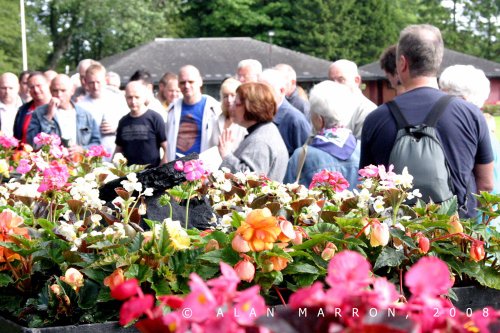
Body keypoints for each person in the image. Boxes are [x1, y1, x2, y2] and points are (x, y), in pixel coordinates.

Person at [360, 24, 493, 218]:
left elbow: (367, 185)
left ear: (402, 63)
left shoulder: (376, 119)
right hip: (455, 237)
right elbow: (487, 184)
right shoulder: (470, 114)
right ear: (438, 61)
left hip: (398, 240)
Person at [284, 81, 360, 189]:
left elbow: (288, 198)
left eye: (312, 113)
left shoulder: (302, 157)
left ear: (320, 120)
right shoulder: (363, 149)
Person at [439, 65, 499, 196]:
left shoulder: (483, 135)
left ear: (465, 99)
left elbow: (487, 186)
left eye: (444, 92)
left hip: (479, 212)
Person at [218, 82, 288, 181]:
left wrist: (226, 155)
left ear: (252, 107)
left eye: (237, 104)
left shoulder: (260, 140)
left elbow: (251, 181)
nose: (231, 107)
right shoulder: (265, 130)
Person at [27, 74, 101, 156]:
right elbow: (32, 143)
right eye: (55, 90)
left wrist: (82, 149)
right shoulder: (39, 112)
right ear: (50, 91)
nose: (59, 94)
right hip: (53, 164)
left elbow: (97, 143)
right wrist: (48, 117)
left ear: (72, 91)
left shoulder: (85, 114)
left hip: (78, 163)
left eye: (63, 90)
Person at [166, 65, 221, 161]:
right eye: (182, 82)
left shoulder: (214, 108)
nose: (186, 86)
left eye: (191, 82)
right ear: (178, 84)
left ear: (200, 81)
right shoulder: (172, 109)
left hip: (202, 169)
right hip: (175, 168)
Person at [77, 63, 128, 158]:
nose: (95, 86)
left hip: (117, 153)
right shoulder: (80, 105)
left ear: (105, 80)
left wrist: (116, 127)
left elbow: (130, 123)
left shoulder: (118, 99)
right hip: (92, 156)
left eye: (98, 82)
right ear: (85, 82)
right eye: (91, 82)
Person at [259, 69, 311, 156]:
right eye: (258, 90)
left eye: (265, 91)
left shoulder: (295, 120)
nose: (260, 95)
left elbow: (306, 157)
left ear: (282, 91)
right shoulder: (257, 115)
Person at [114, 81, 167, 167]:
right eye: (129, 97)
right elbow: (118, 150)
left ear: (144, 97)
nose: (133, 101)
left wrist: (160, 171)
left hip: (151, 174)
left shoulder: (155, 118)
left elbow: (167, 148)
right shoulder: (123, 122)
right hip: (128, 175)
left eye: (137, 97)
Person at [328, 59, 377, 139]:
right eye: (331, 80)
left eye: (341, 80)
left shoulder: (367, 110)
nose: (334, 85)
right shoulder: (328, 107)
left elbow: (358, 149)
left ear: (356, 81)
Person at [209, 77, 247, 151]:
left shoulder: (245, 121)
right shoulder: (217, 119)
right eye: (226, 96)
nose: (229, 100)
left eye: (233, 95)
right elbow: (210, 147)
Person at [14, 72, 52, 144]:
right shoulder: (23, 110)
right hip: (25, 153)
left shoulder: (57, 107)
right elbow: (16, 138)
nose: (36, 90)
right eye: (32, 87)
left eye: (39, 85)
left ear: (48, 84)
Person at [0, 72, 23, 137]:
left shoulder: (27, 109)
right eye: (3, 88)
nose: (7, 92)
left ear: (18, 88)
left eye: (11, 88)